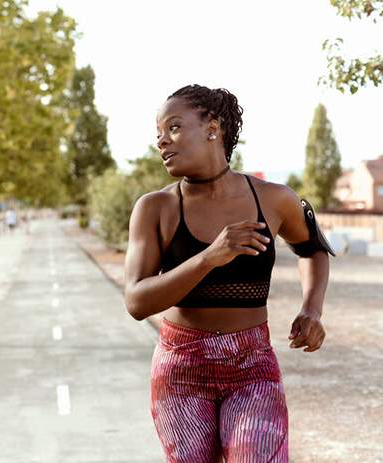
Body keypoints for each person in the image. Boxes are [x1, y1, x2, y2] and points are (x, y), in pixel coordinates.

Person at [124, 84, 332, 462]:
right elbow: (137, 301)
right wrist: (209, 257)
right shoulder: (155, 208)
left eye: (173, 127)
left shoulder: (274, 198)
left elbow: (314, 249)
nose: (161, 142)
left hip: (252, 364)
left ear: (212, 127)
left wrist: (312, 309)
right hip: (180, 368)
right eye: (158, 135)